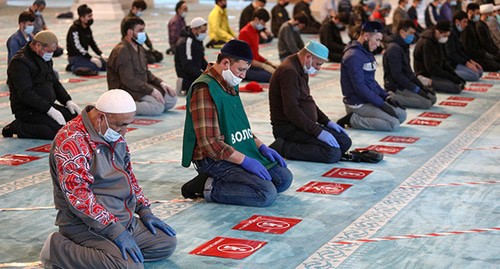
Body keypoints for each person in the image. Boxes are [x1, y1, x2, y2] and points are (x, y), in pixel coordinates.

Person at [39, 89, 177, 268]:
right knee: (127, 266)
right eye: (120, 125)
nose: (124, 132)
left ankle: (109, 252)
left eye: (128, 125)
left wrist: (144, 210)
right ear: (101, 118)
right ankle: (57, 249)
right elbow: (79, 197)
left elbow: (129, 176)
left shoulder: (112, 132)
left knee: (165, 242)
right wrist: (115, 231)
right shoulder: (71, 140)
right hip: (86, 224)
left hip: (121, 218)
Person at [181, 40, 293, 207]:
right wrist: (245, 161)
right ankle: (206, 186)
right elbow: (210, 143)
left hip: (235, 148)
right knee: (265, 193)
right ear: (225, 63)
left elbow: (237, 125)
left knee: (283, 179)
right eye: (241, 69)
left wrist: (260, 146)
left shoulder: (230, 83)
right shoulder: (204, 89)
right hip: (212, 158)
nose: (243, 75)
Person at [269, 41, 352, 163]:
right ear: (308, 57)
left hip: (302, 125)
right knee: (332, 153)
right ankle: (283, 147)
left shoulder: (302, 68)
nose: (318, 68)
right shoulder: (289, 71)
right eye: (318, 64)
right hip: (288, 128)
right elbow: (291, 110)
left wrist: (326, 122)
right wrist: (317, 132)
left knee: (344, 142)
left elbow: (308, 101)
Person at [2, 31, 80, 139]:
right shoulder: (19, 63)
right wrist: (49, 110)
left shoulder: (44, 57)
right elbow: (26, 93)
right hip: (27, 109)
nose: (51, 55)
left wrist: (67, 101)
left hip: (45, 105)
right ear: (38, 46)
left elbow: (55, 83)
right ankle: (16, 127)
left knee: (75, 120)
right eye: (49, 51)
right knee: (55, 131)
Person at [339, 21, 407, 132]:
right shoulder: (353, 56)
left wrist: (386, 97)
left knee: (401, 115)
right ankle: (352, 119)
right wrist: (381, 104)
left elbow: (371, 81)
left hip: (368, 100)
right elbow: (360, 88)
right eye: (377, 40)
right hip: (357, 104)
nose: (379, 44)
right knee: (393, 124)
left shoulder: (366, 52)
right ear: (366, 36)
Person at [107, 17, 177, 116]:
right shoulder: (122, 51)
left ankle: (142, 103)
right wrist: (151, 90)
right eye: (140, 30)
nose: (143, 33)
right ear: (130, 32)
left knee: (171, 99)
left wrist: (161, 83)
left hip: (140, 86)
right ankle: (123, 107)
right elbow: (128, 80)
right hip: (126, 89)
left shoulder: (139, 48)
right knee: (158, 107)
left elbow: (146, 72)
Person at [383, 20, 437, 109]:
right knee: (426, 103)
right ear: (402, 32)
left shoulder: (404, 46)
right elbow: (397, 76)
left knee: (432, 98)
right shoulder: (394, 49)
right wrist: (415, 89)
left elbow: (408, 72)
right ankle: (391, 97)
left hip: (404, 82)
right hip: (395, 86)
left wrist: (421, 86)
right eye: (411, 33)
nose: (413, 36)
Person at [413, 21, 465, 94]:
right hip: (425, 73)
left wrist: (455, 75)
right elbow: (432, 68)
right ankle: (426, 82)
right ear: (438, 32)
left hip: (435, 70)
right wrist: (451, 77)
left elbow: (443, 62)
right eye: (445, 36)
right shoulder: (427, 43)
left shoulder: (439, 40)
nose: (446, 38)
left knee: (458, 83)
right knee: (456, 88)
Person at [66, 4, 106, 76]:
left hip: (84, 56)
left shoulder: (87, 28)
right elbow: (77, 47)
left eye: (91, 16)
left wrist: (101, 54)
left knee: (104, 65)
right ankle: (73, 67)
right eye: (89, 16)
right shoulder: (74, 29)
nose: (91, 18)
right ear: (82, 18)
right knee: (94, 68)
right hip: (75, 56)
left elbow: (92, 43)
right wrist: (90, 58)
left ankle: (81, 65)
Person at [239, 8, 277, 82]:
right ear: (256, 19)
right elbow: (245, 59)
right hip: (246, 68)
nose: (264, 25)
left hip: (254, 65)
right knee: (273, 77)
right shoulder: (245, 32)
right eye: (263, 23)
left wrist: (268, 62)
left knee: (277, 71)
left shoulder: (255, 32)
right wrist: (263, 65)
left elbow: (255, 54)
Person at [174, 17, 209, 95]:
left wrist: (210, 70)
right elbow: (187, 65)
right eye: (202, 31)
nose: (204, 34)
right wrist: (202, 76)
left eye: (205, 31)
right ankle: (183, 83)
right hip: (185, 74)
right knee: (207, 86)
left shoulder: (197, 40)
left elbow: (201, 59)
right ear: (194, 30)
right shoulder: (186, 42)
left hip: (195, 70)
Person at [461, 3, 500, 71]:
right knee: (495, 65)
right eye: (477, 13)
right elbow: (469, 47)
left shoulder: (474, 24)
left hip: (481, 53)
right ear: (470, 12)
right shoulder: (468, 27)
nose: (478, 15)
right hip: (475, 56)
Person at [446, 11, 483, 81]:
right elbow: (451, 54)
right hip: (451, 64)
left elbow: (460, 50)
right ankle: (448, 73)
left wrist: (470, 61)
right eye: (464, 22)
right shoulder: (450, 34)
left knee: (480, 71)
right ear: (457, 21)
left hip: (458, 61)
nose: (466, 25)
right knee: (474, 75)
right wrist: (467, 63)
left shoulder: (457, 32)